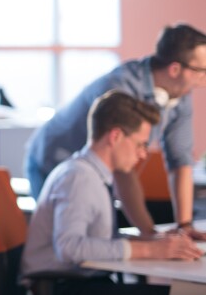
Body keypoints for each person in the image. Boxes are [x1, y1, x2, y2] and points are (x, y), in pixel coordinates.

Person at [22, 90, 203, 295]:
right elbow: (69, 247)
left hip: (77, 288)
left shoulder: (91, 174)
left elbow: (95, 240)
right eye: (141, 144)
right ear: (116, 136)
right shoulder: (79, 178)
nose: (144, 154)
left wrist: (157, 242)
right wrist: (149, 248)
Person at [24, 23, 206, 238]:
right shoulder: (121, 88)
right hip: (53, 160)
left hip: (99, 171)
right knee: (72, 243)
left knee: (103, 238)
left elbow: (180, 161)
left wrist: (184, 227)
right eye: (200, 70)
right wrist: (150, 235)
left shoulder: (180, 96)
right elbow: (122, 169)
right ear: (175, 69)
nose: (203, 79)